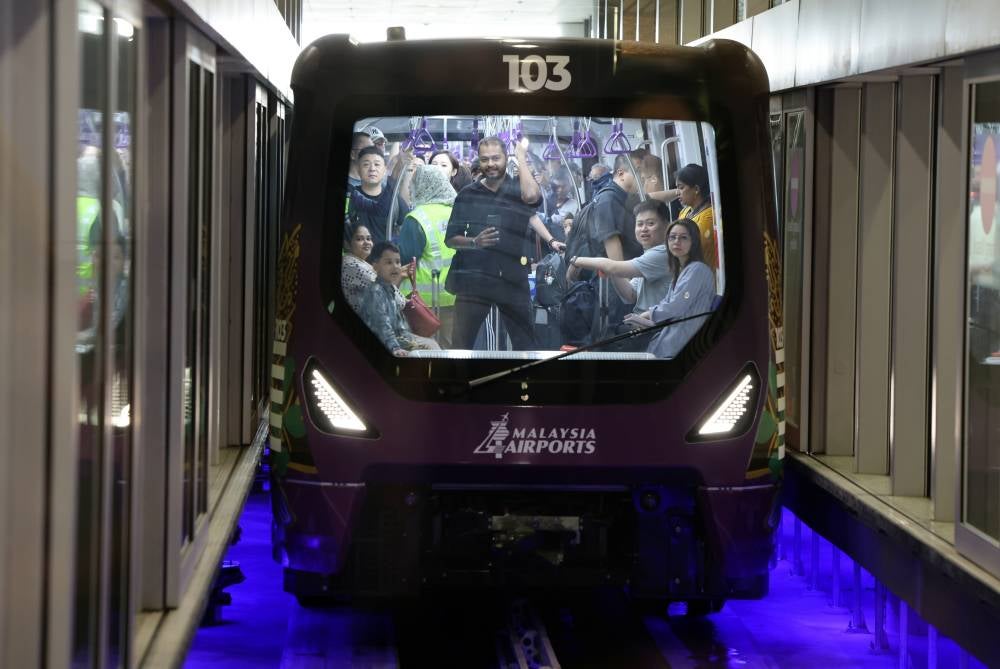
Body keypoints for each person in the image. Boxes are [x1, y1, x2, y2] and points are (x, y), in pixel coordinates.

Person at [445, 136, 542, 350]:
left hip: (512, 278)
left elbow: (533, 197)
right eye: (485, 159)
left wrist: (521, 159)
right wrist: (474, 242)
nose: (490, 164)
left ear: (506, 158)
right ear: (478, 161)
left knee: (525, 344)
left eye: (496, 158)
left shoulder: (519, 189)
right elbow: (451, 239)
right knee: (461, 343)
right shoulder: (467, 194)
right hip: (475, 278)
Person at [624, 218, 715, 359]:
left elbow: (674, 307)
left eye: (683, 238)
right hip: (670, 339)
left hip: (681, 345)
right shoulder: (681, 270)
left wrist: (645, 315)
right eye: (672, 237)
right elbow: (667, 303)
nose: (677, 242)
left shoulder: (698, 270)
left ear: (694, 242)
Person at [568, 199, 672, 318]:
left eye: (650, 223)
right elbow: (631, 295)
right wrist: (611, 271)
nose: (644, 229)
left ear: (667, 226)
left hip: (657, 327)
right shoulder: (648, 254)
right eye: (639, 224)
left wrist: (576, 261)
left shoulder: (663, 253)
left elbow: (613, 267)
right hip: (644, 321)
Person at [397, 165, 458, 347]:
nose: (410, 188)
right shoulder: (456, 213)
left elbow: (405, 258)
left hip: (422, 302)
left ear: (422, 186)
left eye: (413, 184)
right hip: (454, 296)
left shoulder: (416, 218)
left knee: (421, 351)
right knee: (450, 350)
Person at [566, 152, 642, 284]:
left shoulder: (623, 197)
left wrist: (676, 192)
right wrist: (627, 286)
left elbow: (649, 197)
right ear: (621, 174)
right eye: (637, 171)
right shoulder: (607, 201)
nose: (642, 177)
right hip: (614, 281)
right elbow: (612, 245)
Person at [359, 242, 440, 355]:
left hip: (398, 338)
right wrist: (395, 348)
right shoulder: (376, 291)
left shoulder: (389, 289)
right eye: (389, 262)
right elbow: (382, 326)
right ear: (375, 266)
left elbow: (400, 327)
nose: (395, 266)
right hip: (384, 344)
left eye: (398, 262)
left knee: (431, 344)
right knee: (431, 347)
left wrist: (413, 341)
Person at [347, 146, 410, 245]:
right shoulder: (350, 198)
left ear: (384, 169)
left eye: (377, 164)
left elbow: (408, 229)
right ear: (358, 170)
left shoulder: (394, 200)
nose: (372, 169)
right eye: (366, 164)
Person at [673, 163, 718, 271]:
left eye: (681, 187)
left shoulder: (708, 217)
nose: (677, 192)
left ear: (696, 189)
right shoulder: (685, 211)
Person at [340, 222, 375, 313]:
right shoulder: (351, 265)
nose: (367, 242)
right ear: (347, 243)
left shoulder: (358, 261)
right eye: (359, 239)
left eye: (368, 238)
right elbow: (385, 290)